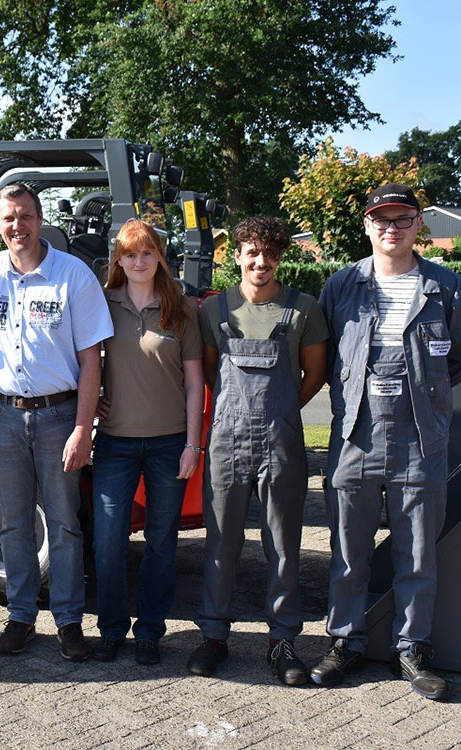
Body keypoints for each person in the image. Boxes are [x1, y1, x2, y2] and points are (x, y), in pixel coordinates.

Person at [313, 184, 460, 701]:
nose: (391, 228)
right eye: (381, 219)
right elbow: (324, 356)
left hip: (422, 438)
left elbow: (456, 359)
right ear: (368, 226)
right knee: (347, 549)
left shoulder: (446, 287)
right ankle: (345, 642)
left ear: (419, 224)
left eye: (402, 219)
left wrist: (427, 397)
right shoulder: (341, 285)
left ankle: (412, 649)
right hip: (354, 432)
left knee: (416, 552)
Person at [0, 183, 113, 660]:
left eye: (25, 215)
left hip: (58, 416)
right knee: (14, 522)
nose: (17, 226)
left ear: (40, 218)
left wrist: (82, 428)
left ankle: (69, 622)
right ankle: (21, 616)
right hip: (3, 415)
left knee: (64, 522)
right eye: (8, 218)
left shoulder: (73, 274)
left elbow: (91, 359)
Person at [188, 216, 327, 685]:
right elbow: (211, 373)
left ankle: (283, 640)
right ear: (238, 255)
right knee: (220, 544)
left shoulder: (303, 308)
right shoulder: (215, 310)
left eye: (269, 253)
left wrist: (281, 412)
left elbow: (314, 375)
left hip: (280, 444)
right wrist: (239, 412)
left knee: (283, 546)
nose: (260, 261)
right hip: (226, 443)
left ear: (280, 257)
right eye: (251, 252)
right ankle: (213, 635)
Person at [91, 220, 204, 665]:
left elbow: (194, 383)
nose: (139, 261)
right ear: (118, 260)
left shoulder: (181, 308)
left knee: (161, 542)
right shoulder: (102, 305)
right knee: (108, 542)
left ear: (159, 255)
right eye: (129, 254)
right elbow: (81, 361)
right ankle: (111, 629)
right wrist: (90, 401)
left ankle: (150, 632)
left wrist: (192, 445)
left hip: (168, 444)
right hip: (114, 444)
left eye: (147, 252)